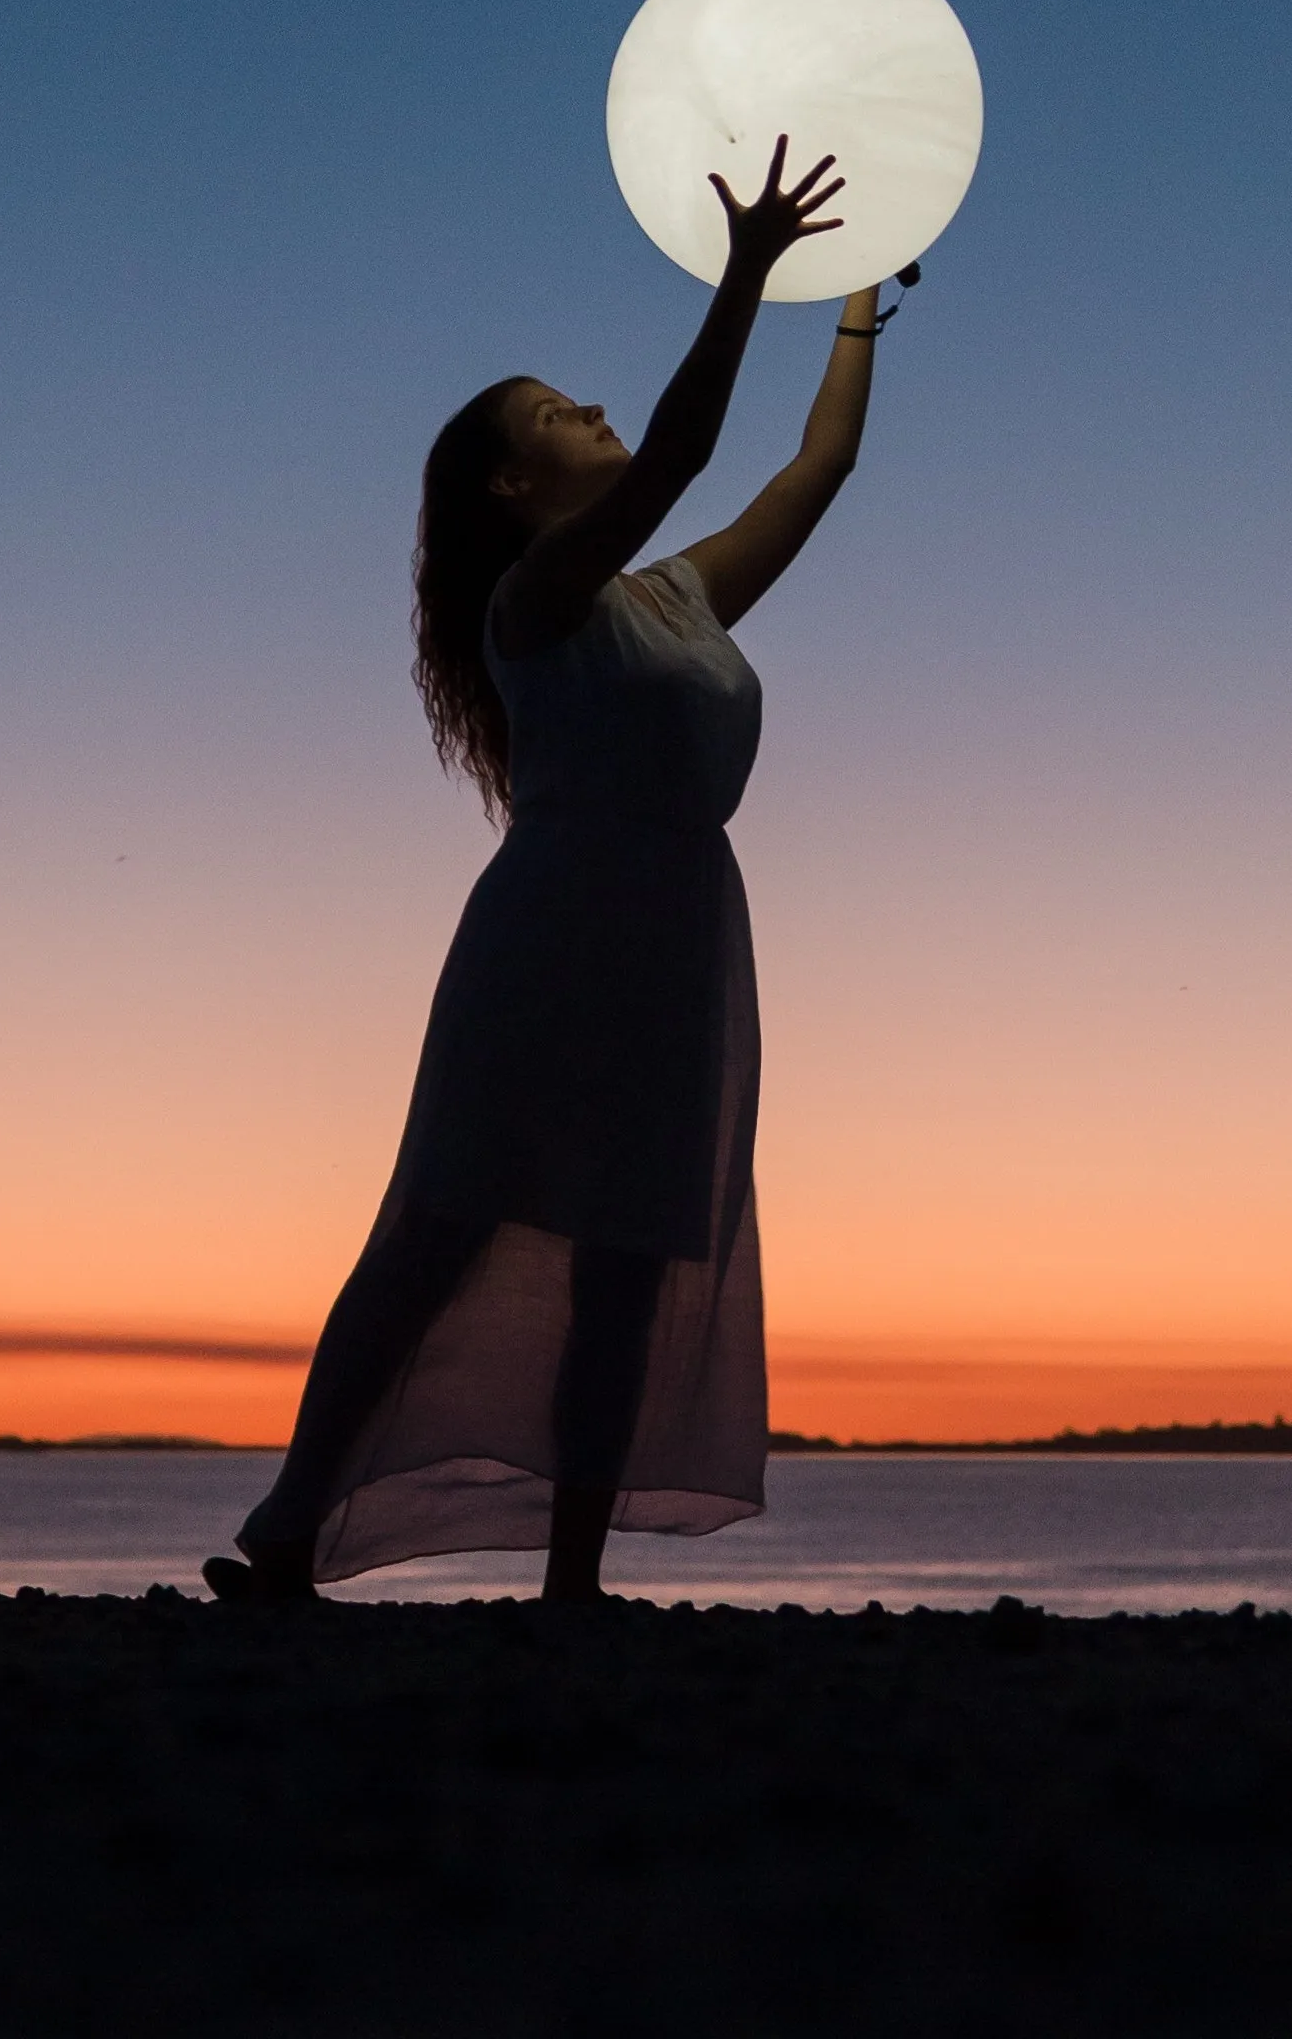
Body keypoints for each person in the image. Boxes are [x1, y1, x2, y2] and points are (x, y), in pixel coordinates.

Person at [207, 138, 890, 1604]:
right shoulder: (539, 597)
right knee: (444, 1229)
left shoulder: (679, 596)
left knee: (630, 1263)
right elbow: (688, 449)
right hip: (554, 927)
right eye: (557, 412)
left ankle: (573, 1587)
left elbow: (813, 469)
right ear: (519, 483)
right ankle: (289, 1533)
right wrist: (747, 271)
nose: (587, 407)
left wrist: (849, 311)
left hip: (683, 930)